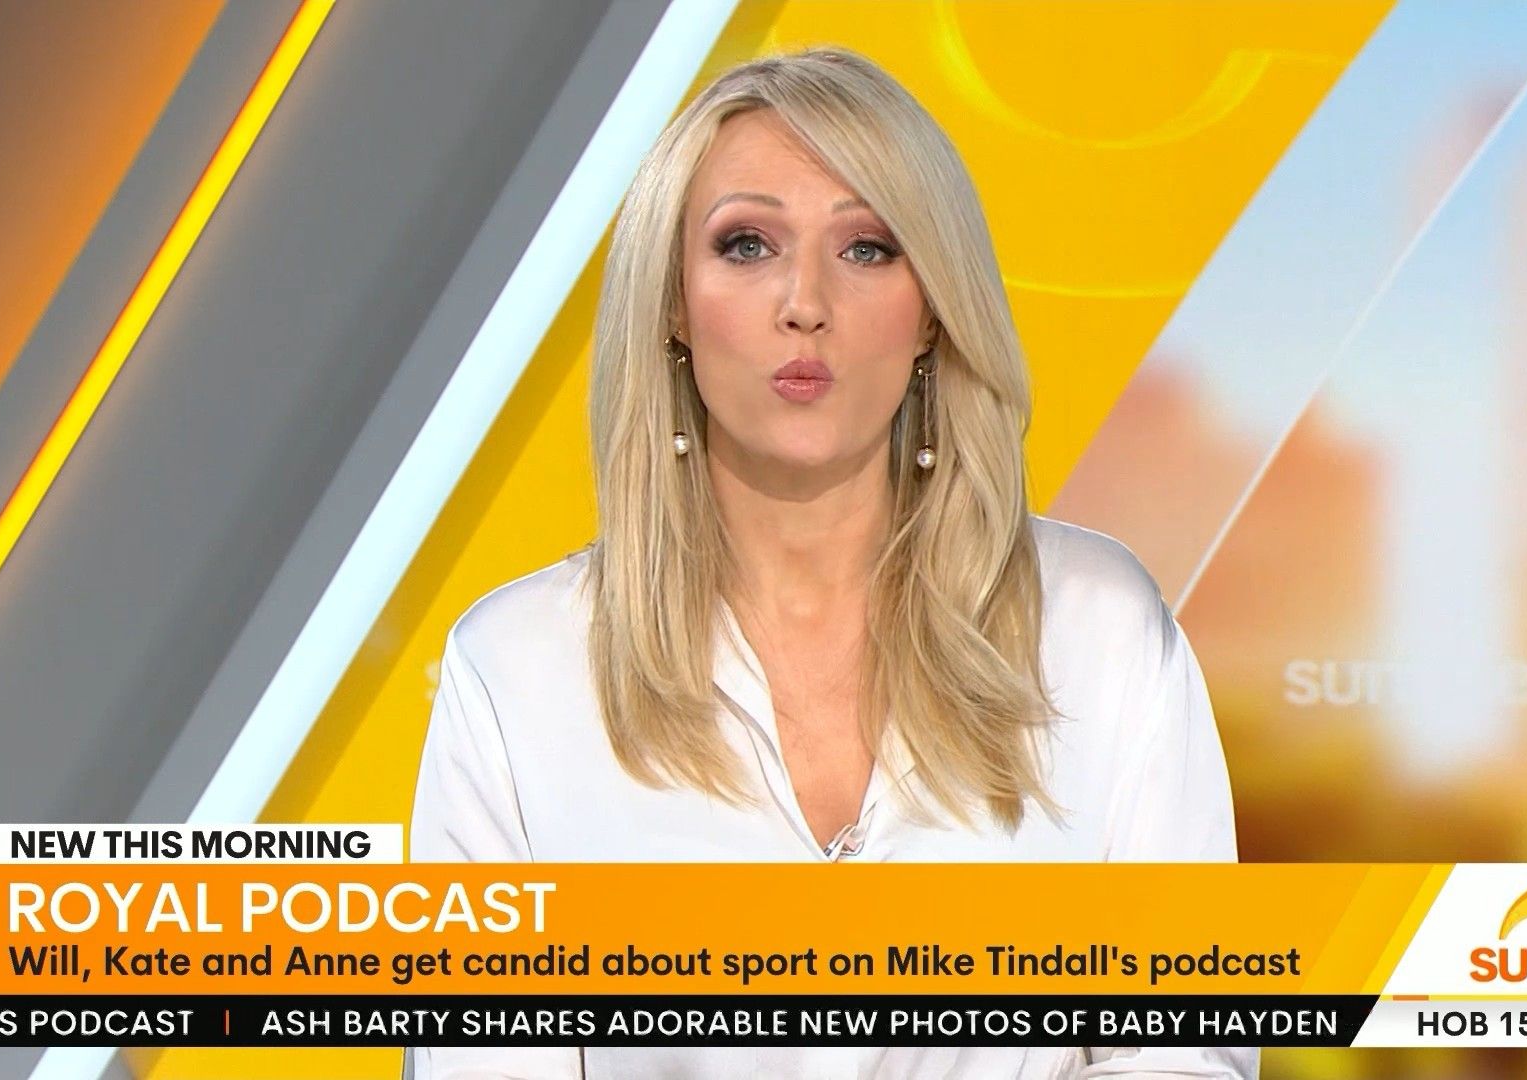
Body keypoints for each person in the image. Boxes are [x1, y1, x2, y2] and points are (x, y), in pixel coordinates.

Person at [408, 46, 1253, 1079]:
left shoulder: (1097, 627)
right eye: (747, 244)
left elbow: (1184, 1055)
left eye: (866, 248)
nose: (804, 302)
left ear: (933, 308)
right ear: (672, 303)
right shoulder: (519, 669)